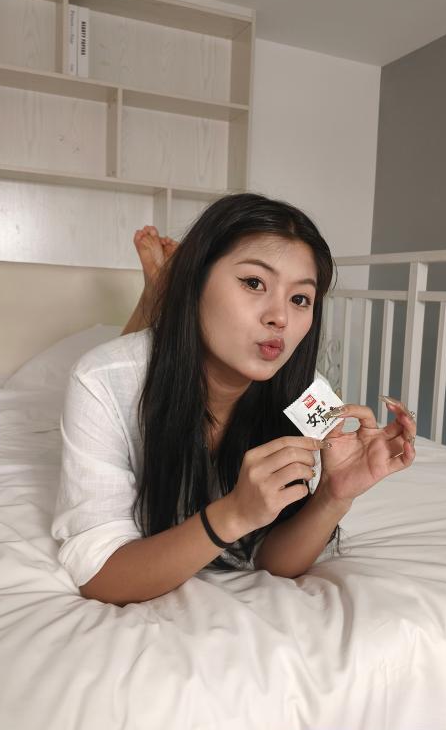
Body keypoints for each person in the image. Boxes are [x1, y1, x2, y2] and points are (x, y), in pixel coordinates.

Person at [51, 193, 416, 606]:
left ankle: (162, 295)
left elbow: (272, 561)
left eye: (300, 299)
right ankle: (157, 296)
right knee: (141, 372)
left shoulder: (309, 394)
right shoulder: (100, 380)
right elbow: (101, 576)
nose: (280, 317)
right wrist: (233, 513)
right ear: (196, 280)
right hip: (142, 368)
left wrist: (333, 496)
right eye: (254, 283)